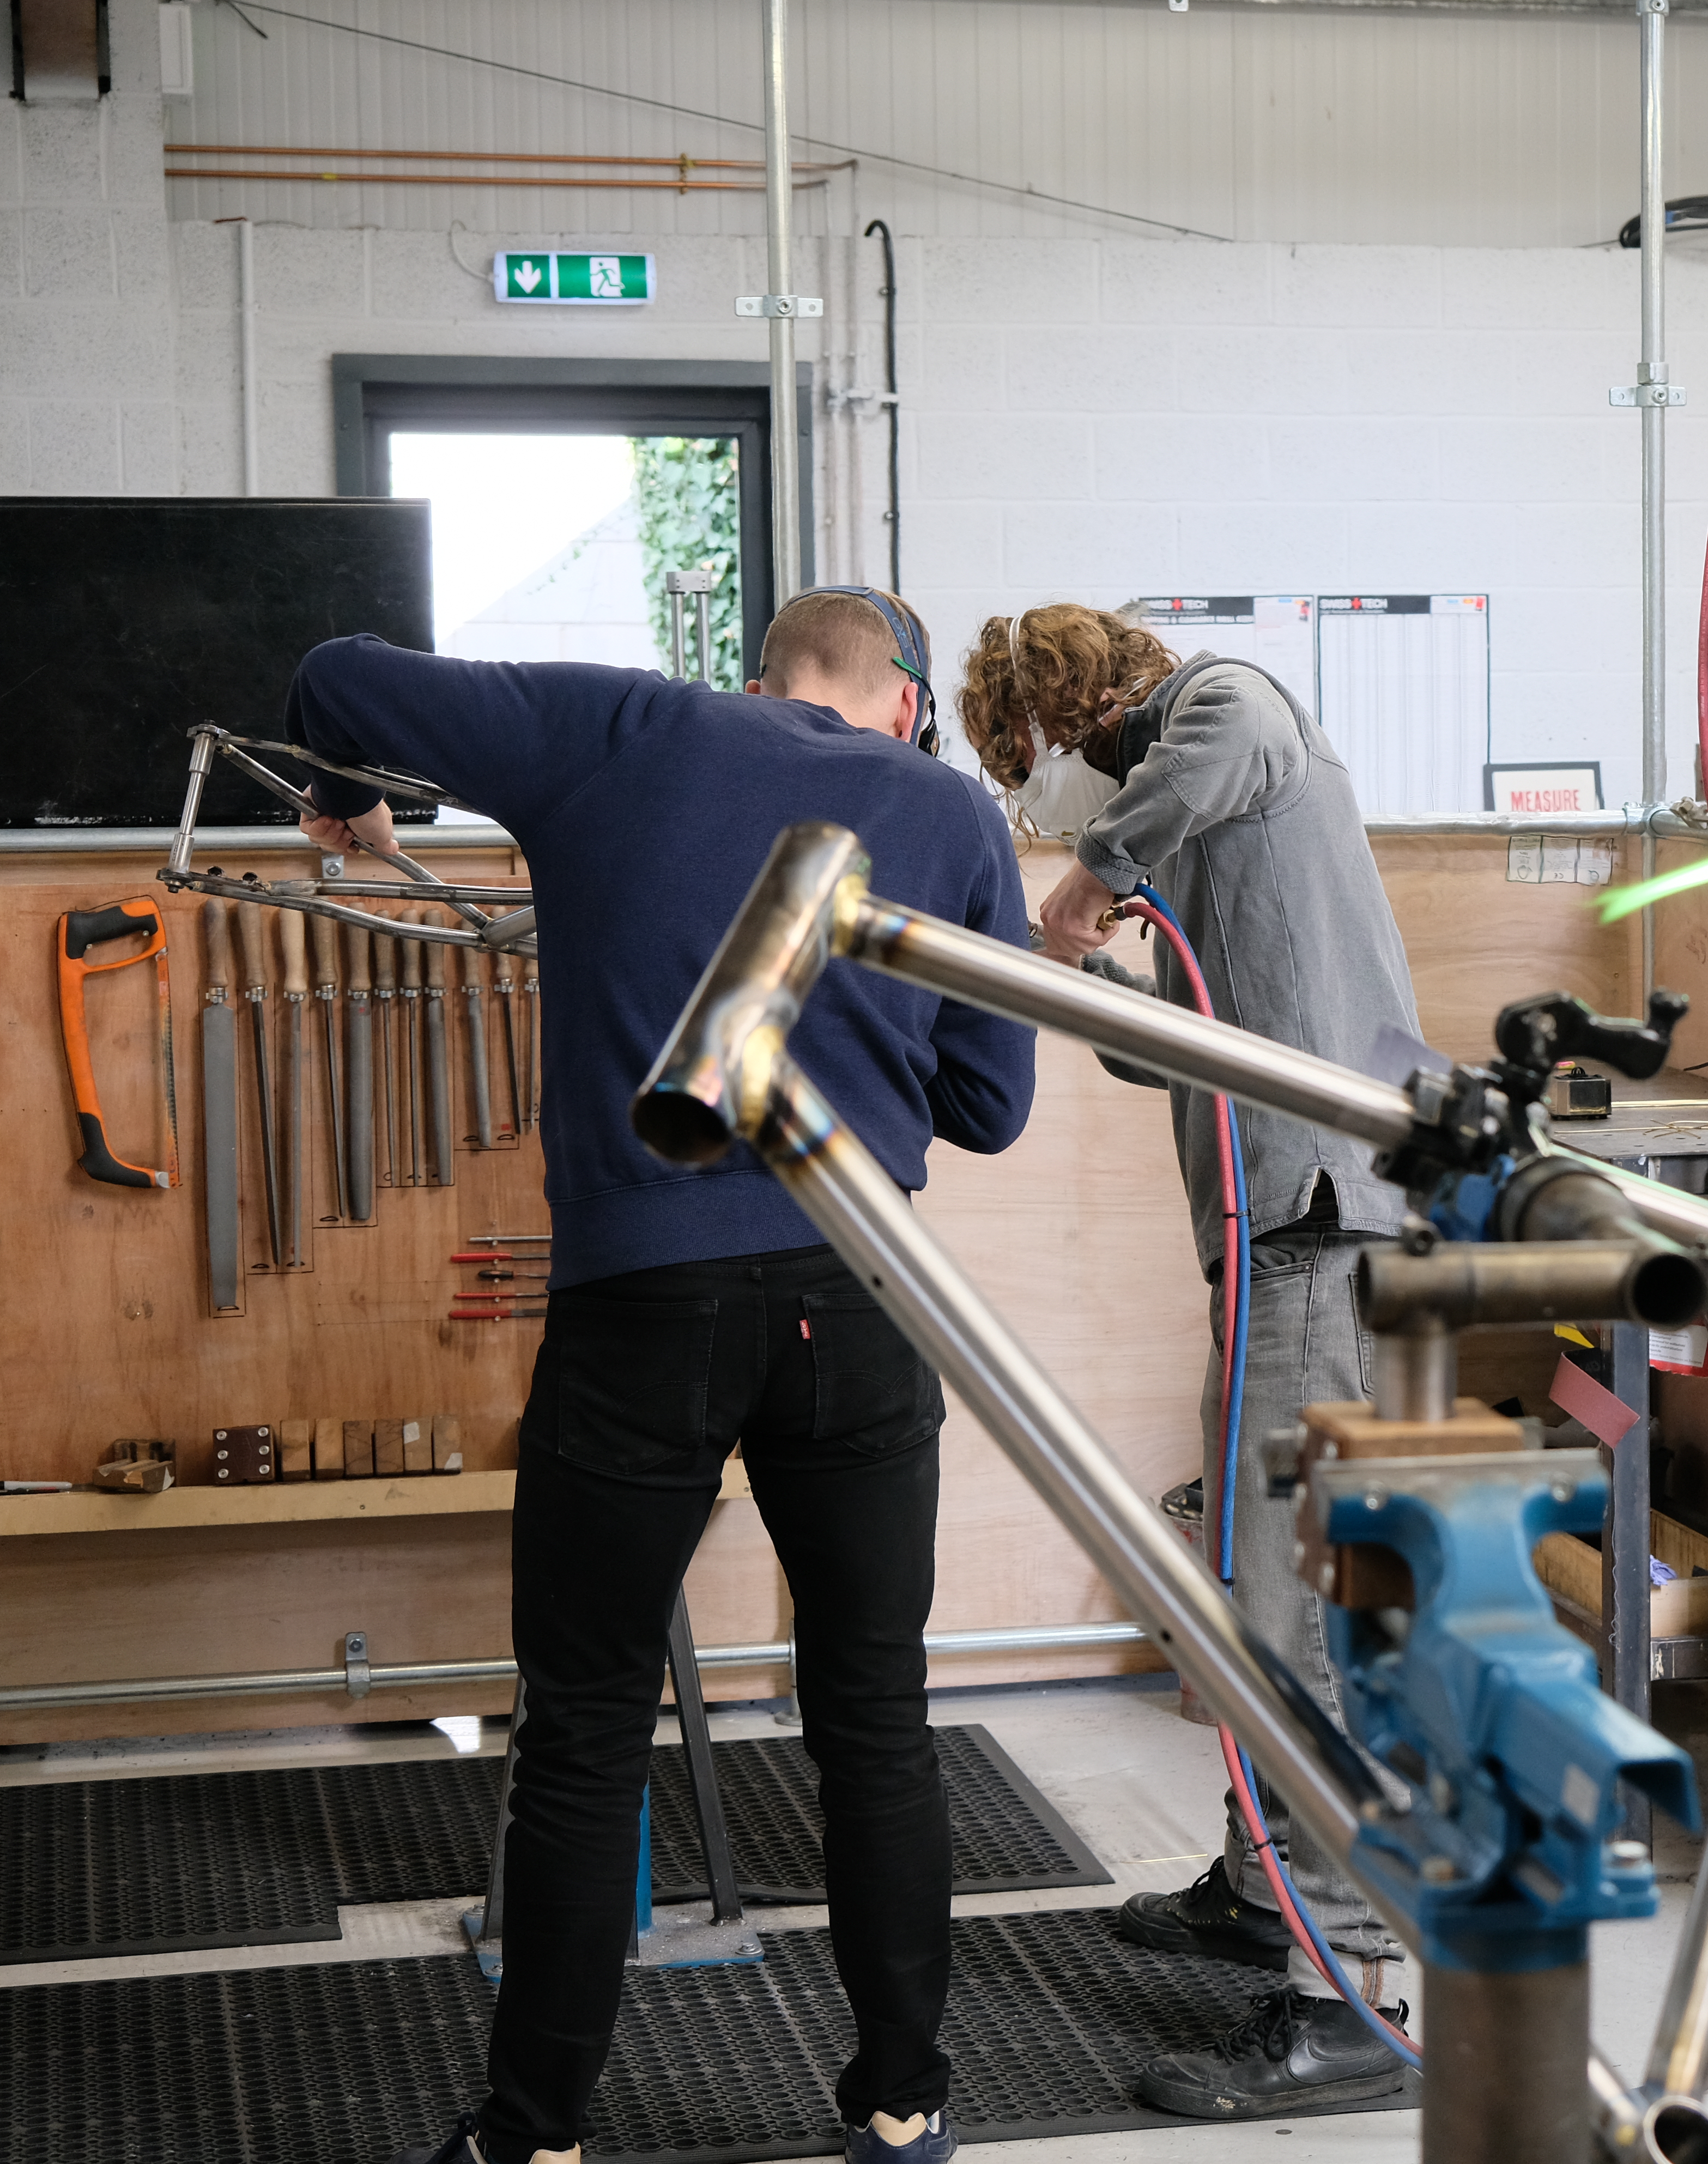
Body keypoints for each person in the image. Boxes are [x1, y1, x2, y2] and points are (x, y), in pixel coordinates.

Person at [292, 589, 1036, 2164]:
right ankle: (904, 2112)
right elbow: (986, 1107)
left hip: (647, 1301)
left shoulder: (620, 726)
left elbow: (334, 672)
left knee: (584, 1726)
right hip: (866, 1287)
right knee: (875, 1720)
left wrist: (350, 785)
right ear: (899, 694)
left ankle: (537, 2136)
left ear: (764, 669)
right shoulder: (951, 808)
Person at [958, 603, 1426, 2120]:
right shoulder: (1200, 830)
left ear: (1082, 715)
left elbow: (1216, 745)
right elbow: (1181, 1040)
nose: (1051, 812)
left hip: (1324, 1216)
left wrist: (1081, 893)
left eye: (1034, 771)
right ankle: (1254, 1891)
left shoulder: (1231, 710)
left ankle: (1348, 1998)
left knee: (1294, 1621)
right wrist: (1069, 981)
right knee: (1246, 1583)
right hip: (1272, 1224)